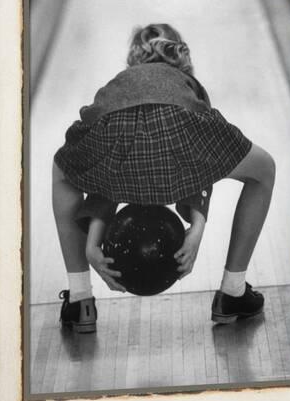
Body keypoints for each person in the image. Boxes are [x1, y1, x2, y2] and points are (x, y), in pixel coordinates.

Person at [52, 23, 275, 333]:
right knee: (264, 171)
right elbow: (200, 158)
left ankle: (80, 300)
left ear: (134, 60)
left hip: (112, 134)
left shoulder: (119, 83)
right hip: (179, 132)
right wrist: (196, 227)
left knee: (63, 170)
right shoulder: (187, 83)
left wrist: (93, 243)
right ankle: (233, 292)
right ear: (179, 56)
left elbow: (107, 169)